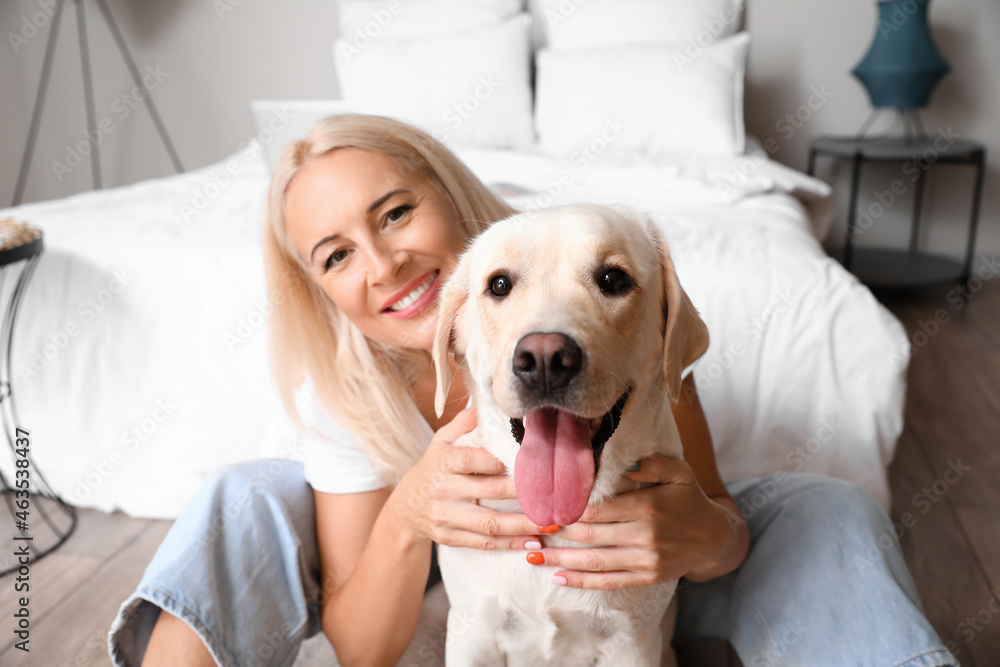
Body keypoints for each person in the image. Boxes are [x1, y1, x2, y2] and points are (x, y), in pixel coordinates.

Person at [108, 114, 957, 667]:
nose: (384, 264)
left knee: (827, 506)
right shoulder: (346, 379)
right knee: (244, 492)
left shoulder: (591, 291)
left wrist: (703, 531)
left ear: (453, 194)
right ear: (322, 288)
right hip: (454, 586)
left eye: (397, 212)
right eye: (335, 255)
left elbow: (720, 518)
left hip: (643, 568)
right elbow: (364, 643)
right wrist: (410, 512)